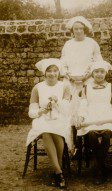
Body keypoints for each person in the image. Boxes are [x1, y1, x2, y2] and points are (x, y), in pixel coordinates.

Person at [74, 60, 112, 184]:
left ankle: (98, 167)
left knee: (106, 134)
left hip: (108, 116)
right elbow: (83, 105)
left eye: (102, 72)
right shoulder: (86, 87)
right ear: (92, 73)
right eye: (96, 72)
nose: (99, 74)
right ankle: (101, 168)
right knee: (91, 134)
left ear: (105, 73)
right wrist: (81, 117)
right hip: (91, 116)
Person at [61, 15, 103, 156]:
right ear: (72, 30)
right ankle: (76, 146)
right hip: (72, 82)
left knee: (86, 111)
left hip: (87, 80)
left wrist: (87, 76)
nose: (78, 31)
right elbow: (63, 63)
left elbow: (98, 63)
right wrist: (69, 76)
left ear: (85, 29)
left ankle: (89, 146)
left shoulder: (92, 43)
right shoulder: (68, 44)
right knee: (72, 112)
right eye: (75, 29)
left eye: (80, 28)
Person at [26, 58, 71, 188]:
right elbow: (31, 112)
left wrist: (58, 102)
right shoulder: (37, 87)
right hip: (43, 119)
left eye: (55, 71)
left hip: (60, 117)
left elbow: (67, 109)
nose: (52, 74)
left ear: (59, 72)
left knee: (56, 131)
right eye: (49, 71)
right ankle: (58, 172)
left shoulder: (64, 86)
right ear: (44, 73)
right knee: (45, 132)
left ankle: (58, 169)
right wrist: (41, 111)